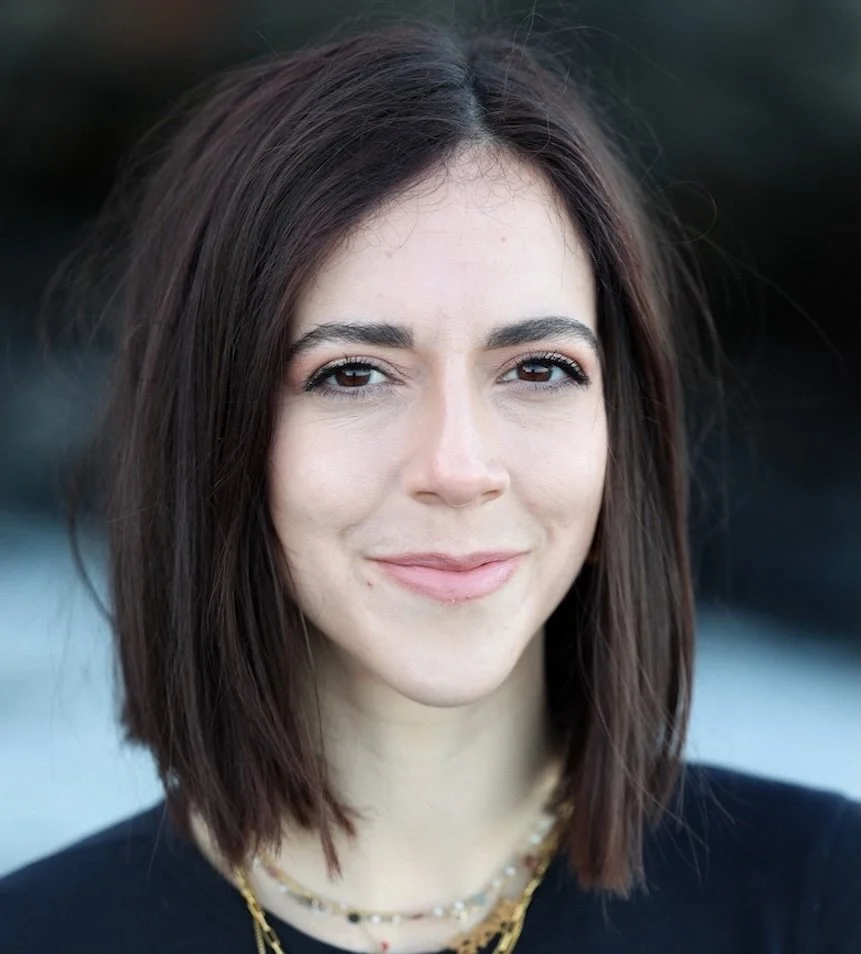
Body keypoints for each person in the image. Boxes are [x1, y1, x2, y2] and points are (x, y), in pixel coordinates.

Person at [0, 17, 857, 954]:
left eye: (537, 369)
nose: (456, 469)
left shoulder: (820, 900)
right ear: (208, 428)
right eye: (353, 374)